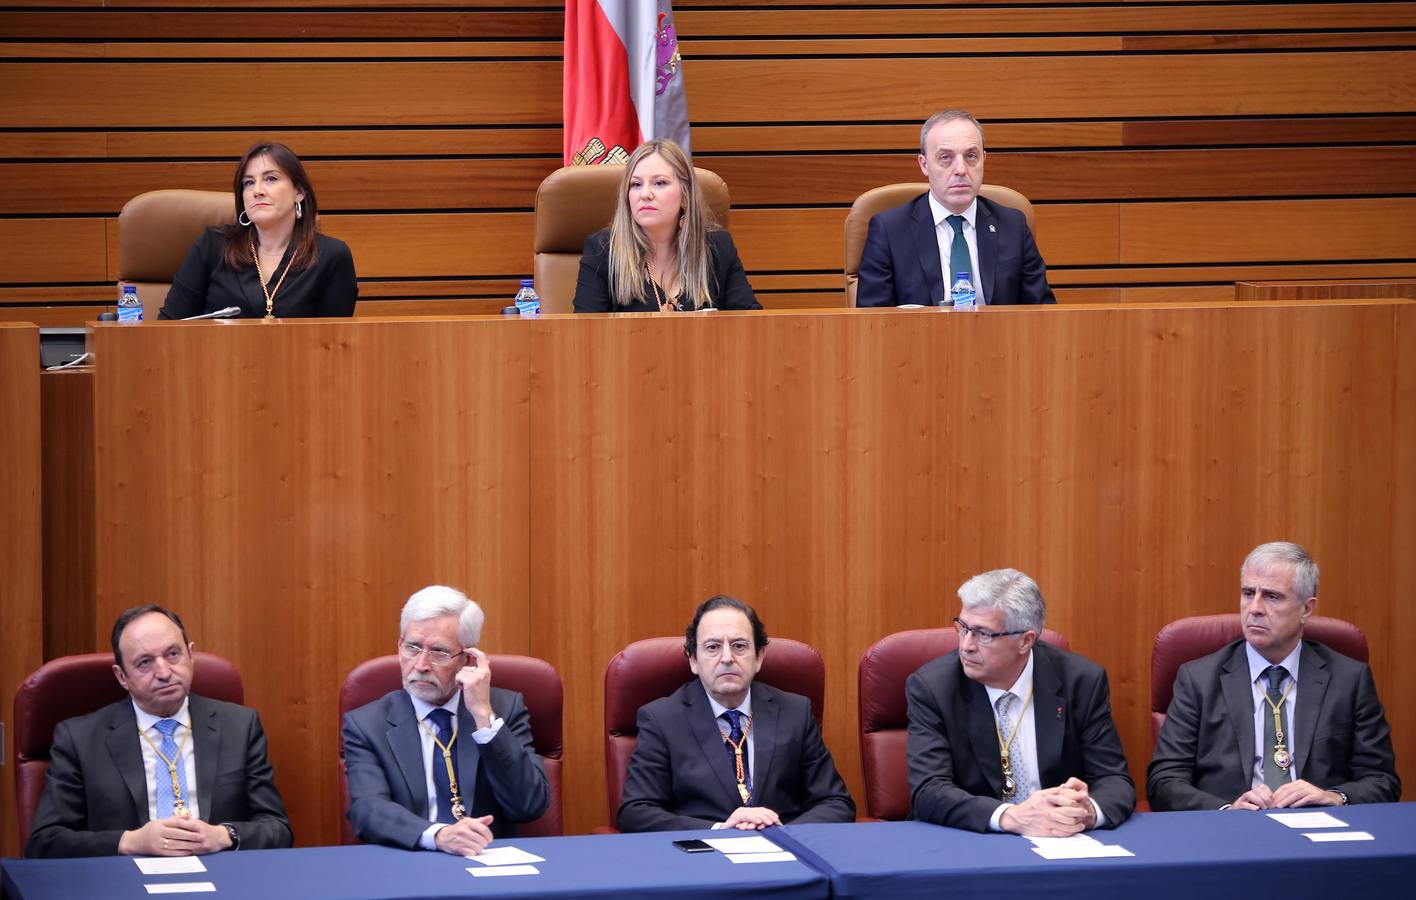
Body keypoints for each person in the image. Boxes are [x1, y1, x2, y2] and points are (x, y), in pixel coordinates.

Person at [1148, 542, 1400, 811]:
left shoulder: (1349, 679)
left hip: (1319, 828)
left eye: (1272, 596)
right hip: (1231, 829)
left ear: (1306, 608)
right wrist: (1227, 810)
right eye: (1248, 593)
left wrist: (1335, 797)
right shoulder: (1197, 679)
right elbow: (1164, 782)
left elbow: (1382, 779)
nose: (1254, 607)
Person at [26, 605, 291, 858]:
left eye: (173, 654)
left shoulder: (240, 726)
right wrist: (130, 842)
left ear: (191, 655)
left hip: (220, 877)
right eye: (145, 662)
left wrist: (223, 835)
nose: (164, 672)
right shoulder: (80, 739)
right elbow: (46, 842)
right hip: (124, 881)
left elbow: (278, 829)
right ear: (121, 677)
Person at [907, 569, 1134, 835]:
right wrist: (1010, 817)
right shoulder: (933, 687)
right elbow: (929, 790)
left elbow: (1114, 779)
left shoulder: (1081, 681)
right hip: (974, 839)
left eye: (983, 634)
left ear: (1026, 641)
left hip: (1062, 841)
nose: (966, 645)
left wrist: (1087, 812)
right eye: (964, 628)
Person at [618, 595, 855, 832]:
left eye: (739, 646)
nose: (727, 658)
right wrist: (719, 830)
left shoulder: (795, 712)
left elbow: (837, 803)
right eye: (712, 647)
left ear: (759, 657)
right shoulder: (662, 719)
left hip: (785, 855)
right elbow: (636, 812)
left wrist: (785, 834)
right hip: (703, 857)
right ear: (693, 660)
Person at [342, 585, 548, 855]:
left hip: (488, 860)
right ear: (399, 645)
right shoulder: (367, 724)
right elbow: (368, 808)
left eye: (439, 651)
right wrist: (438, 835)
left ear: (467, 659)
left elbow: (529, 805)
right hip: (410, 858)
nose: (421, 664)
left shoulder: (504, 709)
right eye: (413, 647)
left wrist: (483, 716)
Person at [856, 110, 1055, 307]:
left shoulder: (1013, 226)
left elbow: (1043, 315)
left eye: (971, 156)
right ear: (924, 165)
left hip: (998, 338)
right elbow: (871, 323)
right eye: (945, 157)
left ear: (983, 160)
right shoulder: (889, 230)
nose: (960, 169)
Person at [159, 142, 358, 319]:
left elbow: (334, 342)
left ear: (298, 192)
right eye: (249, 183)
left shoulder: (331, 256)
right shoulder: (213, 245)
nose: (257, 190)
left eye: (271, 179)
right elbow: (168, 327)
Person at [573, 139, 760, 313]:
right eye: (636, 184)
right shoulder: (603, 250)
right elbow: (584, 335)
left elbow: (751, 326)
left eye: (659, 183)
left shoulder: (717, 247)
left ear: (685, 195)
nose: (645, 194)